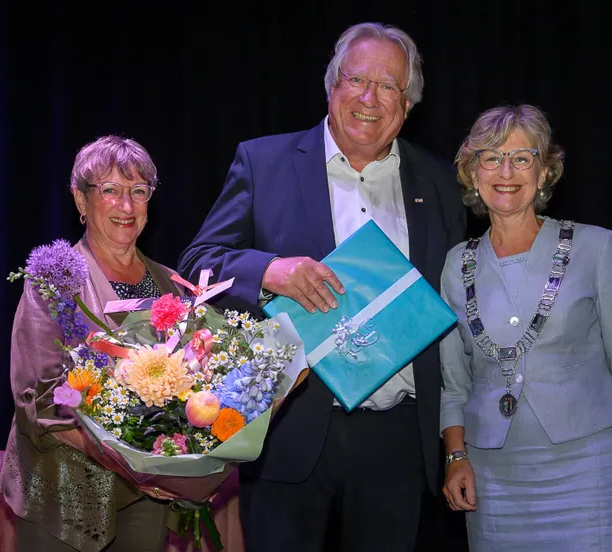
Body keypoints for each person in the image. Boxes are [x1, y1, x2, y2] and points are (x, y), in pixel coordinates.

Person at [177, 22, 466, 552]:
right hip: (289, 429)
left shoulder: (440, 183)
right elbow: (197, 263)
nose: (369, 98)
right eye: (357, 79)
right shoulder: (264, 163)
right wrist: (270, 271)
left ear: (408, 104)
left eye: (388, 86)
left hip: (398, 440)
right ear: (331, 86)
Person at [440, 104, 612, 551]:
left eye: (523, 158)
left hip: (591, 469)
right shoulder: (453, 265)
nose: (507, 170)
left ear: (544, 173)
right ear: (473, 172)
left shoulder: (595, 246)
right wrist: (455, 457)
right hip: (493, 479)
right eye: (491, 157)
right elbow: (453, 385)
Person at [0, 136, 233, 552]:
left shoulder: (169, 283)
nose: (127, 206)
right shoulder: (54, 280)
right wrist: (130, 463)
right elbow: (41, 396)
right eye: (110, 190)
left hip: (147, 497)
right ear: (81, 200)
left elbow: (198, 383)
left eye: (139, 191)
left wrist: (188, 456)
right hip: (64, 494)